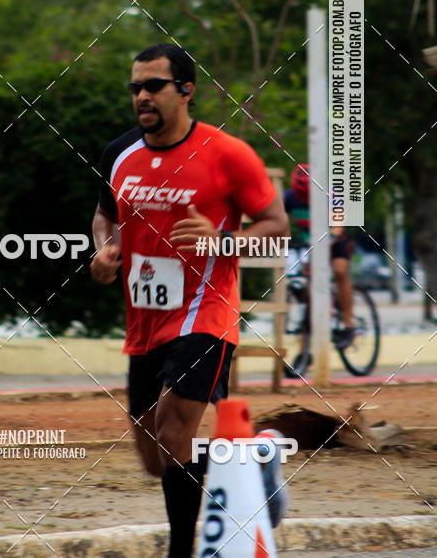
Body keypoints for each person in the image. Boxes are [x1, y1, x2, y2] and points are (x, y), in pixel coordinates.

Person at [90, 43, 290, 558]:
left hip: (207, 312)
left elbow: (276, 233)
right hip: (145, 320)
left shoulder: (228, 155)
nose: (141, 96)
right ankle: (255, 454)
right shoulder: (119, 153)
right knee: (154, 455)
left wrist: (220, 241)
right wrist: (104, 251)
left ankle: (182, 551)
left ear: (186, 91)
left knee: (175, 430)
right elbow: (105, 216)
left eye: (153, 86)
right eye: (135, 87)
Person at [284, 163, 355, 349]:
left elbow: (338, 224)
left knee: (340, 271)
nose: (306, 201)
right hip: (312, 245)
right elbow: (277, 220)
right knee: (309, 291)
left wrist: (331, 237)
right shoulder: (289, 198)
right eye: (303, 197)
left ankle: (348, 325)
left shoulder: (331, 194)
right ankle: (305, 349)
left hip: (337, 240)